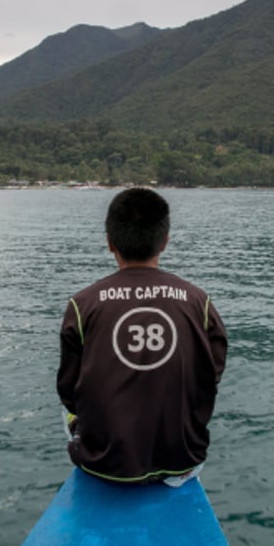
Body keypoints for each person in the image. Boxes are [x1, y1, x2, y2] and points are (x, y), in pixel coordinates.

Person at [56, 187, 228, 485]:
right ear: (164, 242)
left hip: (104, 465)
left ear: (110, 243)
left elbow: (68, 392)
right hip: (183, 462)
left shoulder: (82, 305)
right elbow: (212, 374)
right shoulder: (199, 301)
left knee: (68, 406)